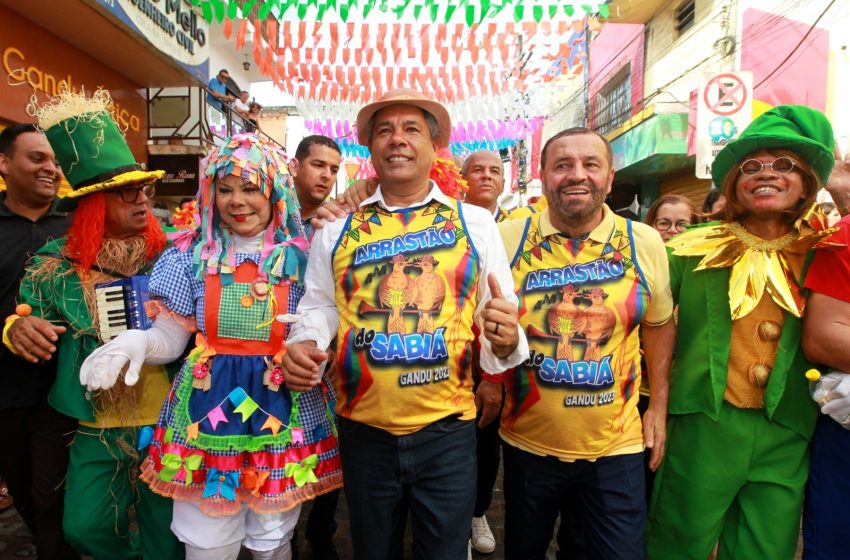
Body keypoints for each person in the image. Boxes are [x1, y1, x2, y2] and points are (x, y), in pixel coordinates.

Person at [283, 88, 529, 560]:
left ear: (434, 146)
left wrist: (506, 334)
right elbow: (319, 306)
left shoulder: (474, 223)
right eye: (384, 131)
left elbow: (501, 316)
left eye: (411, 128)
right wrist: (305, 341)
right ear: (370, 148)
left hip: (448, 432)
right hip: (363, 431)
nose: (397, 140)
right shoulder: (335, 230)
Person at [79, 132, 342, 560]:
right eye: (224, 189)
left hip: (284, 407)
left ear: (274, 189)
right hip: (206, 408)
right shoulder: (190, 255)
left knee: (272, 540)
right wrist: (138, 342)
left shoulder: (308, 253)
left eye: (250, 188)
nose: (236, 201)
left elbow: (324, 316)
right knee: (205, 542)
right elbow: (171, 337)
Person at [646, 105, 836, 559]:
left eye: (784, 164)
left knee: (765, 550)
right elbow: (648, 324)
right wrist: (658, 404)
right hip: (703, 427)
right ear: (733, 182)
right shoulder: (689, 251)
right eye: (751, 166)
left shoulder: (825, 253)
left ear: (807, 182)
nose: (765, 173)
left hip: (787, 430)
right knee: (677, 543)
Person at [2, 90, 181, 560]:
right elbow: (25, 317)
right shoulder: (52, 265)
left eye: (145, 190)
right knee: (85, 527)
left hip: (166, 418)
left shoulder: (176, 256)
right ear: (95, 203)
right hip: (92, 420)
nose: (142, 200)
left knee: (168, 535)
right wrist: (16, 330)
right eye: (128, 192)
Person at [498, 127, 675, 560]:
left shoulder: (644, 242)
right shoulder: (507, 239)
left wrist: (658, 406)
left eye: (590, 164)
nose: (577, 175)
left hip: (616, 447)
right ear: (542, 176)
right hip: (527, 443)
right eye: (563, 165)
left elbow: (659, 323)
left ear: (609, 178)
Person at [0, 123, 78, 559]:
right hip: (7, 392)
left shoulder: (80, 221)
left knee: (55, 497)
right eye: (37, 158)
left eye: (54, 160)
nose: (51, 168)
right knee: (27, 495)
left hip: (67, 388)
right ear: (5, 164)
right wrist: (8, 327)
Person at [288, 134, 343, 560]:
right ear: (295, 166)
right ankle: (280, 539)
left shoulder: (337, 223)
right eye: (318, 165)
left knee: (329, 452)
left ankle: (320, 536)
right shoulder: (268, 217)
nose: (327, 175)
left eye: (334, 169)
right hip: (274, 357)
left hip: (327, 359)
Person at [462, 150, 509, 223]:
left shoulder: (517, 224)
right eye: (478, 170)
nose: (487, 175)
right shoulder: (446, 219)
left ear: (503, 185)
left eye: (494, 171)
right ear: (463, 180)